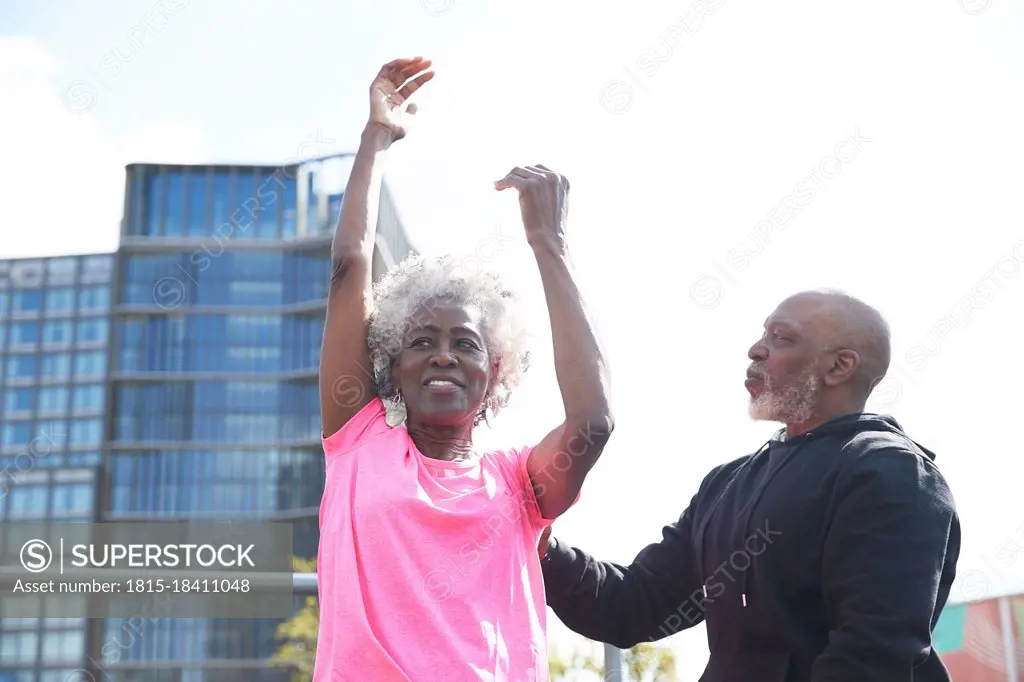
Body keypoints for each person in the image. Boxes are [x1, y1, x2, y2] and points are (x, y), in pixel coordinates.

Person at [315, 57, 614, 681]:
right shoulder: (358, 437)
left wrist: (549, 245)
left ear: (494, 371)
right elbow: (349, 267)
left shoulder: (518, 484)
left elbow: (593, 422)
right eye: (422, 341)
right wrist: (377, 136)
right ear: (392, 367)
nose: (444, 353)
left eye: (466, 344)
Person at [540, 290, 961, 682]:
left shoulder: (891, 474)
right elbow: (634, 604)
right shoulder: (727, 484)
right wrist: (539, 547)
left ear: (839, 366)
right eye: (763, 335)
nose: (756, 349)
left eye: (781, 338)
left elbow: (872, 656)